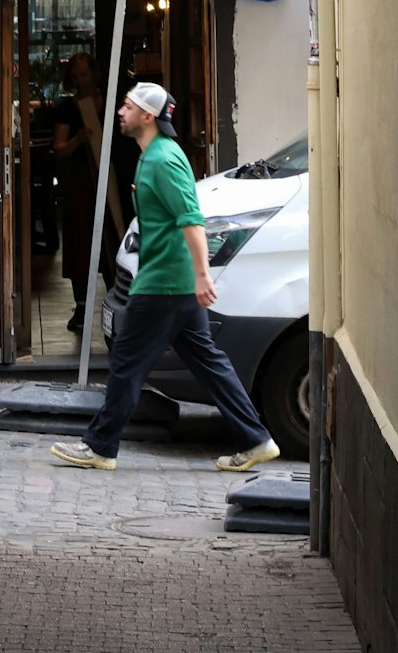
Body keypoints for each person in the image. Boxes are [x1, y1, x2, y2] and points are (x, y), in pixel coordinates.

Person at [50, 83, 280, 473]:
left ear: (148, 116)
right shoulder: (153, 155)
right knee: (208, 361)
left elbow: (191, 219)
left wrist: (202, 275)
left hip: (163, 283)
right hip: (170, 281)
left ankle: (101, 446)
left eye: (128, 106)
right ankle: (257, 440)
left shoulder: (162, 160)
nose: (121, 111)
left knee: (126, 363)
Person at [51, 54, 123, 334]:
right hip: (81, 184)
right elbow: (59, 149)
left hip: (112, 179)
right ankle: (81, 307)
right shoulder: (69, 108)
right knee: (81, 242)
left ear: (95, 74)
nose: (81, 80)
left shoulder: (114, 102)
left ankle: (116, 302)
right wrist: (78, 140)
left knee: (112, 237)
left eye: (85, 74)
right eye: (76, 75)